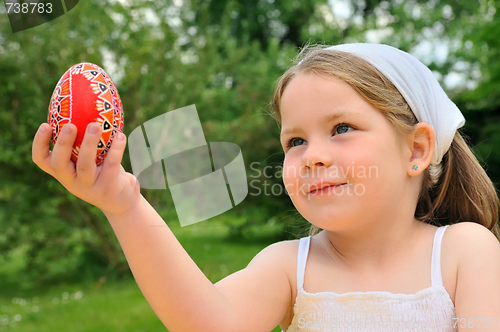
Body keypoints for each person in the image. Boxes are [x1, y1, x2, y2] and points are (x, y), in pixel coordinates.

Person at [32, 43, 500, 332]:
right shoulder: (290, 267)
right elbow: (206, 323)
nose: (312, 154)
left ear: (416, 150)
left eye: (341, 128)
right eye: (295, 140)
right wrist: (124, 204)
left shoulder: (463, 252)